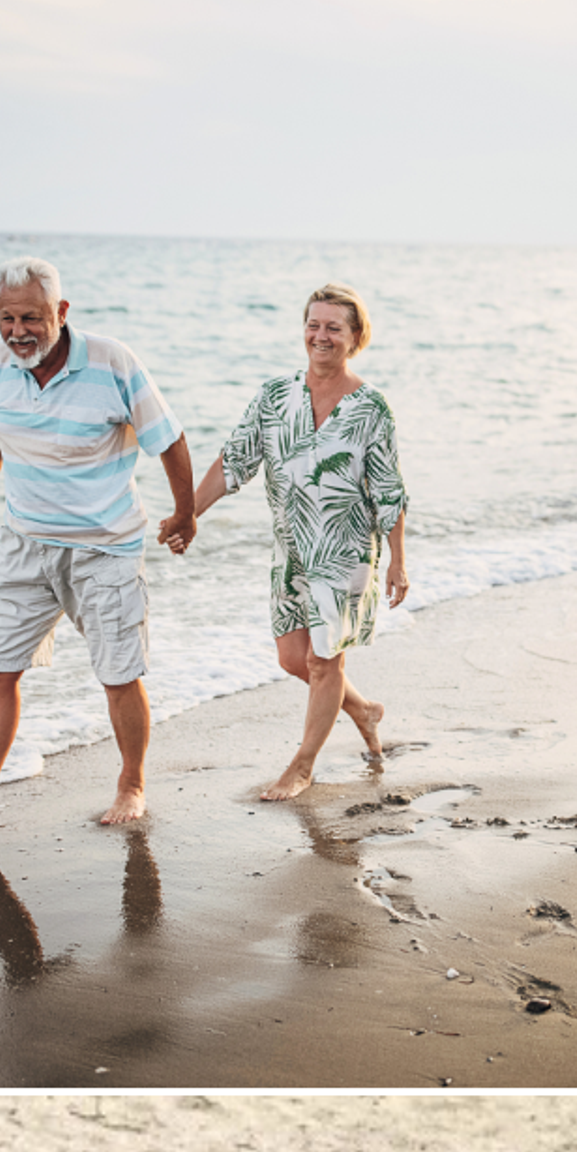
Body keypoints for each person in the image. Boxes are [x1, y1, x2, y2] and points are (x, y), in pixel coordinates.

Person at [0, 257, 196, 839]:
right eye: (7, 319)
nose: (18, 332)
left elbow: (169, 438)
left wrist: (185, 511)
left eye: (32, 318)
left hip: (104, 548)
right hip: (24, 545)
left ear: (61, 313)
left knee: (117, 675)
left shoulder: (113, 362)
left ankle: (132, 784)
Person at [180, 283, 409, 801]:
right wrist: (187, 515)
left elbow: (390, 490)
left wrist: (398, 561)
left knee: (324, 661)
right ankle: (363, 710)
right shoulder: (274, 396)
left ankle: (303, 766)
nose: (320, 335)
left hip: (346, 551)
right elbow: (233, 461)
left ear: (355, 337)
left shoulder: (372, 407)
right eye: (313, 324)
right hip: (291, 550)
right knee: (293, 659)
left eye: (333, 327)